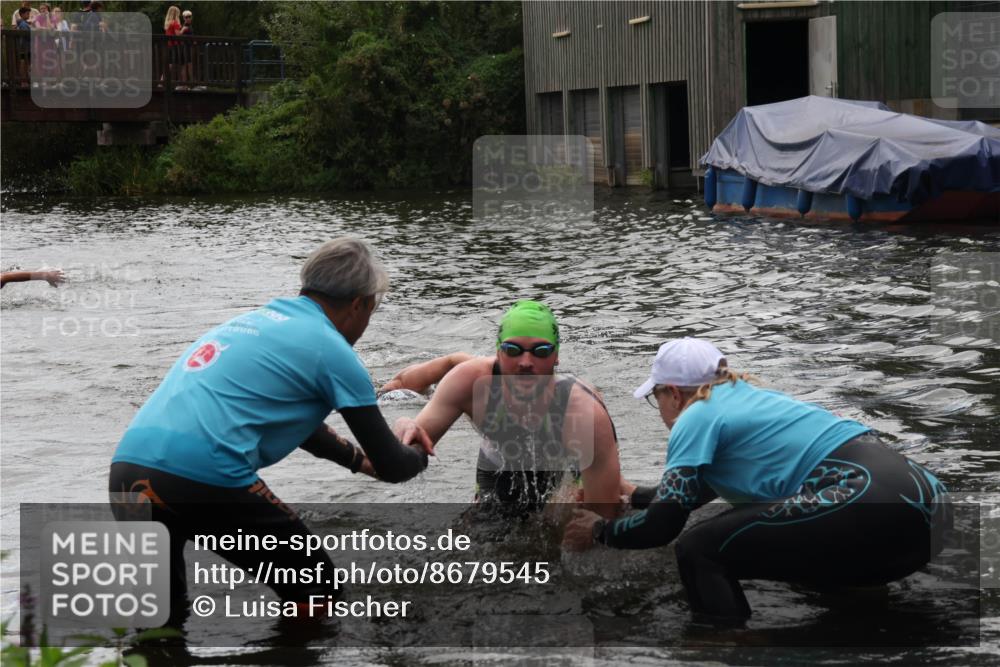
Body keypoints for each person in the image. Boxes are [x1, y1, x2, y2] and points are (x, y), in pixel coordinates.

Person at [109, 238, 432, 617]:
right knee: (316, 586)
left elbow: (295, 424)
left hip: (127, 471)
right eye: (371, 311)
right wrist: (420, 451)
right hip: (205, 474)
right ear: (360, 303)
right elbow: (394, 465)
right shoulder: (334, 351)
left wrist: (358, 462)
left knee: (161, 616)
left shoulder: (248, 323)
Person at [564, 337, 952, 621]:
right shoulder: (750, 401)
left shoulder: (697, 413)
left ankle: (730, 645)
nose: (660, 409)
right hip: (928, 508)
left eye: (657, 398)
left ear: (674, 395)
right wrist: (632, 495)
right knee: (799, 559)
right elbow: (687, 496)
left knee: (698, 549)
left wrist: (599, 532)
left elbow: (665, 527)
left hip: (864, 502)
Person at [391, 300, 623, 518]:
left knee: (575, 524)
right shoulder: (468, 380)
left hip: (569, 466)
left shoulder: (584, 411)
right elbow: (406, 453)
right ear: (499, 352)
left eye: (541, 351)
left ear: (556, 356)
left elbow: (604, 517)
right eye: (512, 350)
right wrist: (405, 425)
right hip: (499, 462)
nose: (525, 361)